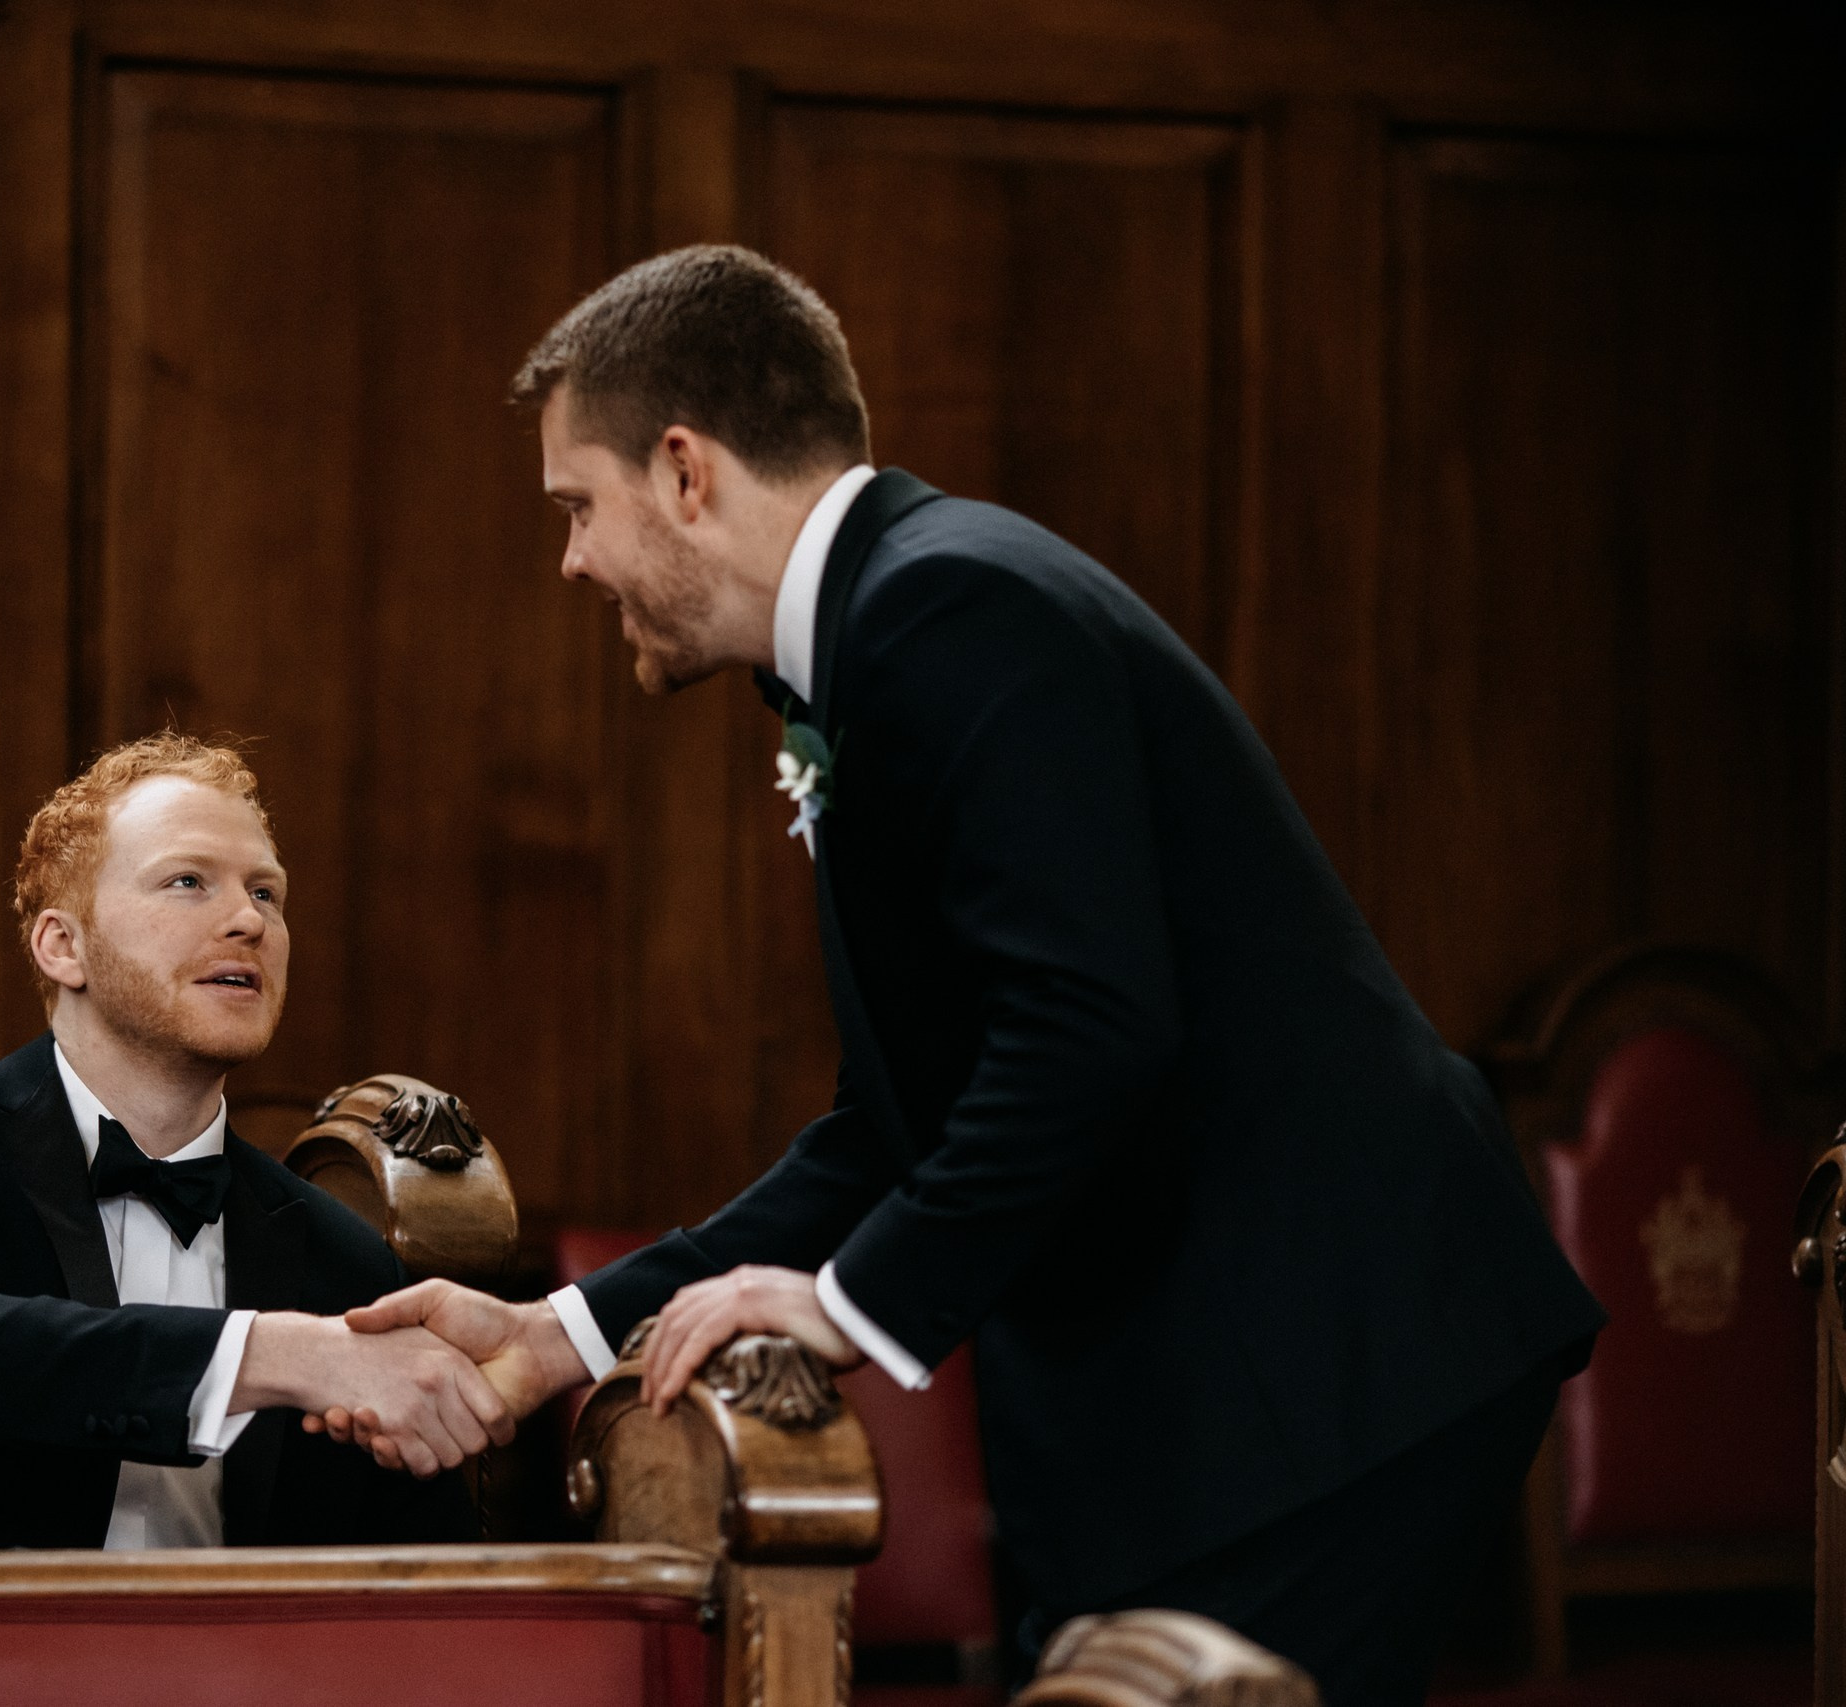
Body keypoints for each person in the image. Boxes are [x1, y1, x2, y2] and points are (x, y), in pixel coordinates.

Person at [332, 246, 1605, 1704]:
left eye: (576, 505)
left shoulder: (948, 610)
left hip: (1319, 1363)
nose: (571, 560)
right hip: (1234, 1389)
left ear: (684, 470)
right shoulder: (882, 634)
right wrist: (554, 1334)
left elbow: (1089, 1027)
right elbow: (895, 1124)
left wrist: (848, 1304)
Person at [0, 734, 500, 1550]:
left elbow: (418, 1579)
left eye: (267, 893)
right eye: (187, 881)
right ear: (64, 946)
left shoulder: (343, 1258)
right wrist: (273, 1352)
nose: (247, 920)